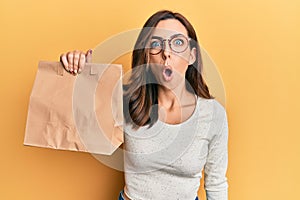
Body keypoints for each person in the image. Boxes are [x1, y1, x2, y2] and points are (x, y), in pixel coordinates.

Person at [60, 10, 228, 200]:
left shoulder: (213, 115)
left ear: (192, 56)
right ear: (147, 57)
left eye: (178, 43)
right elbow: (80, 120)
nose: (167, 53)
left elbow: (216, 182)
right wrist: (79, 71)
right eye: (156, 44)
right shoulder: (128, 101)